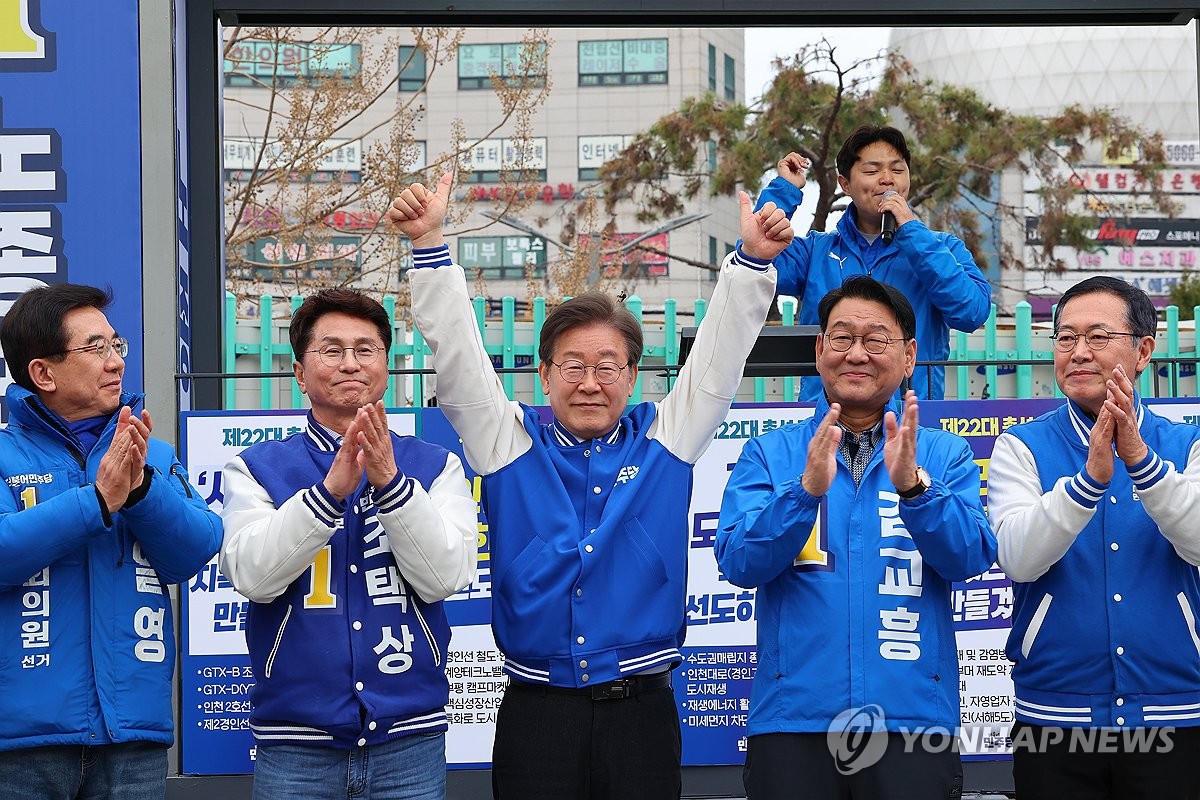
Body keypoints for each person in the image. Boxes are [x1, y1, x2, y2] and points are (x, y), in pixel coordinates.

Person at [387, 172, 788, 799]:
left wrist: (751, 265)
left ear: (632, 377)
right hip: (535, 712)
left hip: (642, 713)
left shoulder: (667, 441)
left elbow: (717, 359)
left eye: (608, 366)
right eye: (573, 365)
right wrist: (431, 247)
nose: (590, 381)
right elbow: (461, 366)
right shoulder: (508, 445)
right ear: (545, 374)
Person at [715, 275, 996, 799]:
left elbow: (970, 557)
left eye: (876, 340)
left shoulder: (943, 455)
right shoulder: (769, 454)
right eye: (842, 338)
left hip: (913, 724)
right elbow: (737, 562)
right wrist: (803, 494)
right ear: (820, 350)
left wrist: (915, 489)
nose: (857, 353)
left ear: (909, 356)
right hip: (794, 723)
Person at [219, 289, 478, 800]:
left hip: (409, 738)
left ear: (386, 364)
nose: (350, 364)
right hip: (295, 742)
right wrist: (328, 493)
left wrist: (391, 486)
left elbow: (446, 576)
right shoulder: (257, 468)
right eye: (331, 350)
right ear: (298, 371)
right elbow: (253, 576)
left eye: (366, 349)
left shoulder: (434, 464)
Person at [0, 284, 223, 799]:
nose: (116, 362)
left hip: (132, 736)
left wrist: (142, 488)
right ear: (43, 373)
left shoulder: (151, 454)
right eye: (95, 349)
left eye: (116, 344)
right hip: (23, 742)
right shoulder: (5, 455)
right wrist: (97, 501)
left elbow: (197, 547)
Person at [988, 276, 1200, 800]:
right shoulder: (1021, 446)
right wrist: (1086, 486)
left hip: (1178, 710)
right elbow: (1017, 558)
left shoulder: (1186, 442)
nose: (1078, 352)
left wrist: (1143, 465)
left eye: (1098, 337)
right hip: (1054, 717)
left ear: (1144, 350)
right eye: (1065, 338)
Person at [756, 124, 991, 401]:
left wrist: (912, 234)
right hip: (826, 422)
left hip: (912, 422)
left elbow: (972, 312)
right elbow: (755, 258)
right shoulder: (815, 251)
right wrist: (784, 190)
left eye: (898, 169)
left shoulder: (944, 248)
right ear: (845, 184)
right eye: (872, 171)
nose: (887, 180)